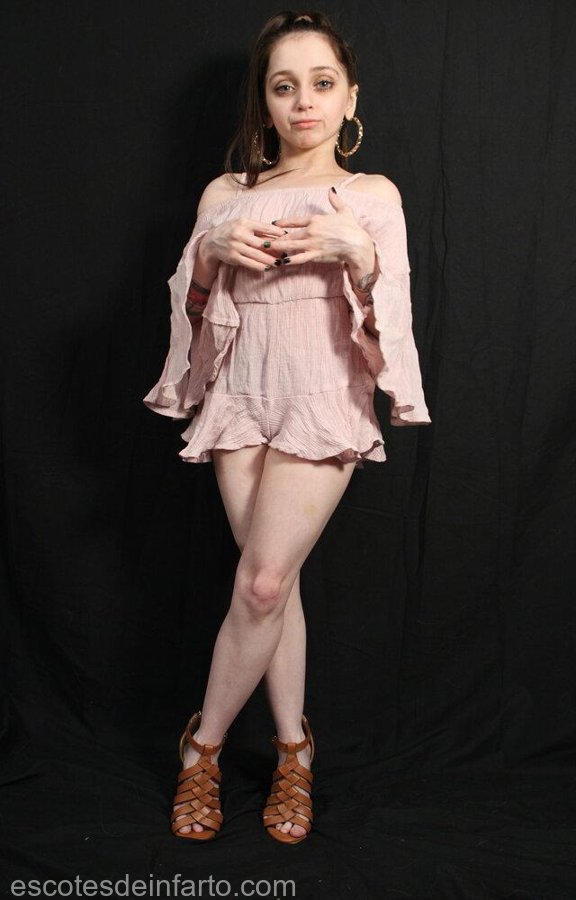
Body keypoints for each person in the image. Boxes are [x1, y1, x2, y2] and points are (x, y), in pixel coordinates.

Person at [143, 10, 431, 844]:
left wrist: (360, 253)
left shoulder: (372, 195)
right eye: (284, 86)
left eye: (321, 83)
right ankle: (295, 753)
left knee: (263, 584)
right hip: (241, 395)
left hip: (321, 395)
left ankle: (201, 747)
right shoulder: (225, 196)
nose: (303, 101)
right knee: (274, 585)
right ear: (264, 103)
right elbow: (192, 316)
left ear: (350, 98)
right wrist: (208, 257)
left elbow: (393, 321)